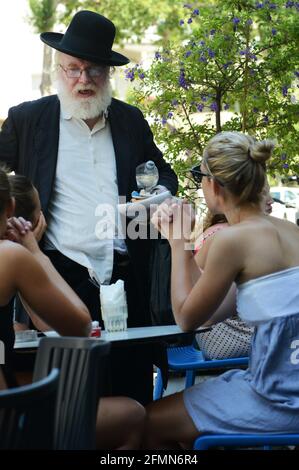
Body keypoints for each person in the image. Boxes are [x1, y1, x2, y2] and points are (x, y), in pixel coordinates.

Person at [0, 10, 178, 403]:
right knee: (69, 398)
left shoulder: (130, 121)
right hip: (59, 272)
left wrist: (157, 197)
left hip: (126, 274)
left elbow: (165, 175)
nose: (83, 80)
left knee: (131, 391)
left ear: (108, 74)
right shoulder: (29, 119)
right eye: (74, 69)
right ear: (59, 69)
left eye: (94, 70)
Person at [145, 131, 299, 449]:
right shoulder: (290, 231)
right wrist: (186, 246)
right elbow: (210, 314)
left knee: (146, 423)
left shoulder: (233, 239)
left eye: (200, 177)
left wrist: (177, 241)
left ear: (213, 185)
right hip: (279, 386)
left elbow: (187, 320)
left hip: (278, 398)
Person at [0, 167, 145, 449]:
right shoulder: (10, 257)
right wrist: (35, 253)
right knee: (132, 414)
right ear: (11, 207)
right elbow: (80, 325)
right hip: (9, 424)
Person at [194, 184, 274, 360]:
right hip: (223, 333)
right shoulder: (226, 235)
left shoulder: (225, 231)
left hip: (218, 326)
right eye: (262, 192)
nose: (271, 200)